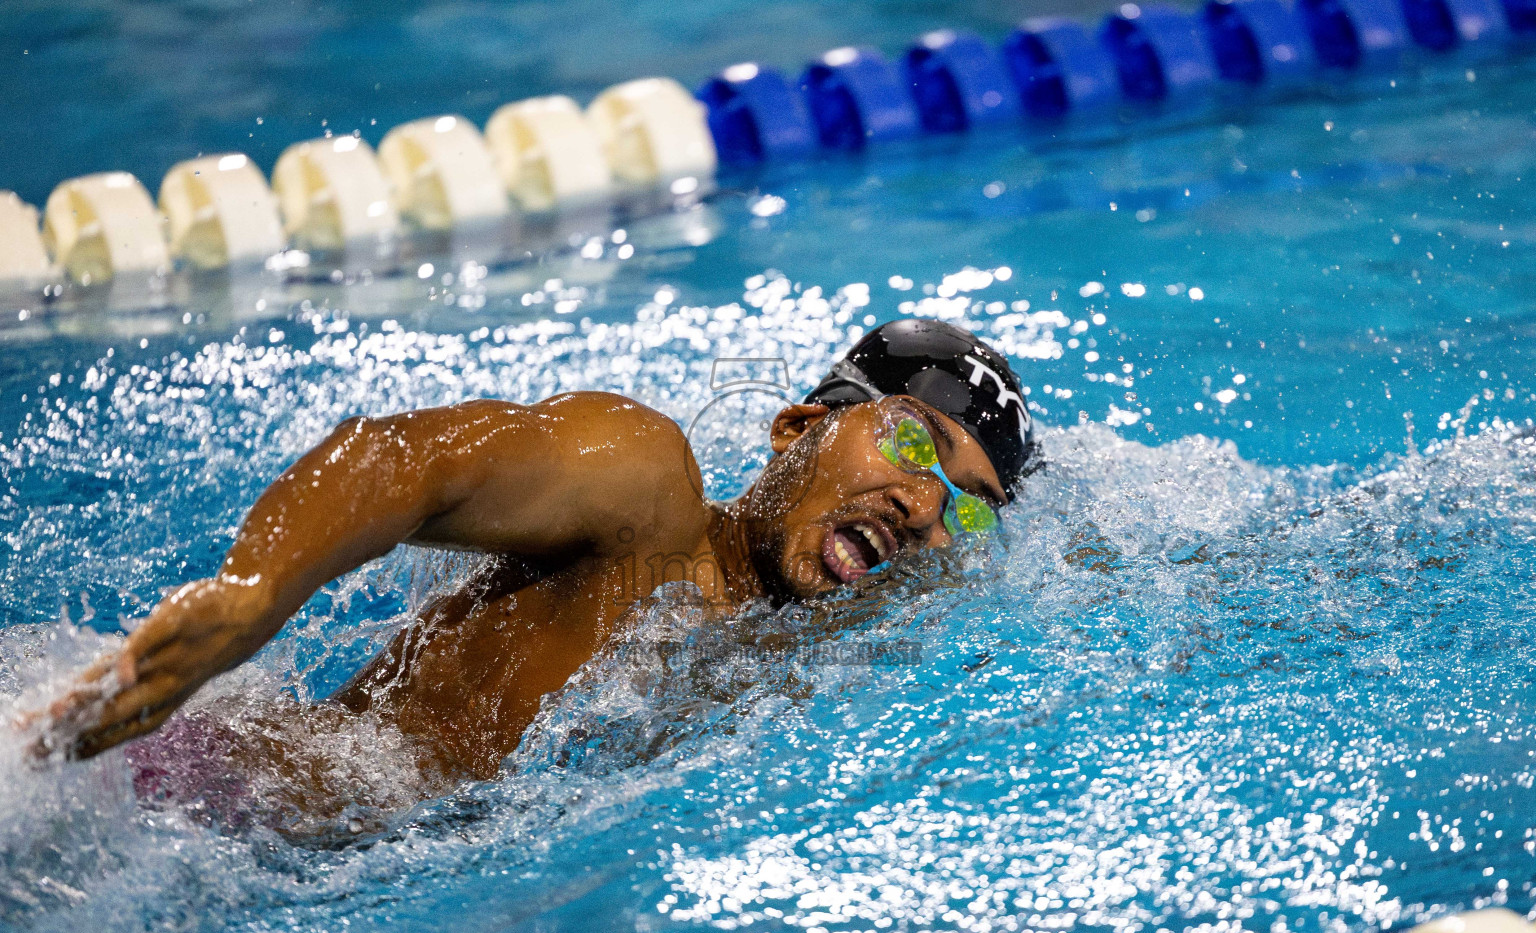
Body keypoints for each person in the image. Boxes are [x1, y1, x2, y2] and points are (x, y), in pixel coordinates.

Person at [35, 318, 1039, 787]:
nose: (921, 502)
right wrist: (250, 596)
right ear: (795, 428)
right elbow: (405, 461)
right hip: (170, 777)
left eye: (968, 508)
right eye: (913, 440)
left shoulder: (822, 662)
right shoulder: (648, 495)